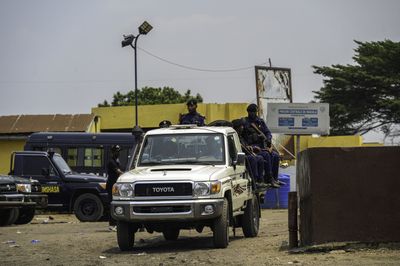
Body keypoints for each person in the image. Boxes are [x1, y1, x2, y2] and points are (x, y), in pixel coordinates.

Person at [242, 104, 281, 188]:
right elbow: (242, 137)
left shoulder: (260, 121)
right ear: (248, 112)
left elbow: (267, 132)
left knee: (276, 156)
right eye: (251, 112)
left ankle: (274, 178)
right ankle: (269, 178)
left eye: (254, 112)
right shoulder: (244, 122)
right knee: (266, 155)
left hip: (262, 146)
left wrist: (268, 139)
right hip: (252, 148)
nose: (253, 114)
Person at [232, 119, 267, 189]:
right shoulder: (234, 137)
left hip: (246, 154)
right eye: (241, 126)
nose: (242, 128)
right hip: (238, 157)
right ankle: (254, 182)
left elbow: (246, 145)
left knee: (260, 158)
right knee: (252, 159)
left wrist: (250, 147)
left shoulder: (241, 137)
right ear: (238, 128)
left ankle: (260, 180)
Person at [106, 144, 124, 230]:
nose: (118, 153)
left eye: (119, 151)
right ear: (113, 152)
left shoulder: (116, 161)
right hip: (111, 186)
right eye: (117, 152)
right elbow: (118, 171)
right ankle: (111, 225)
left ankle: (116, 223)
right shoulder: (111, 162)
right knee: (111, 204)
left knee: (117, 203)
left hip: (115, 186)